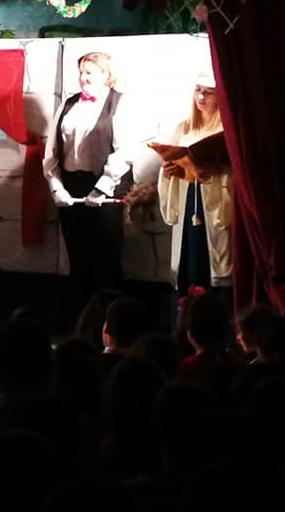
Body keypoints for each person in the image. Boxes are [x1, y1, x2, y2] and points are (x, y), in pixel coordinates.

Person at [43, 51, 136, 327]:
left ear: (106, 75)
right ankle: (80, 324)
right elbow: (52, 149)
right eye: (81, 72)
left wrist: (102, 188)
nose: (83, 78)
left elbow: (124, 152)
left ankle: (112, 326)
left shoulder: (119, 103)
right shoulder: (69, 103)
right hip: (72, 185)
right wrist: (56, 185)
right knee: (78, 256)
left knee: (107, 257)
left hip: (107, 185)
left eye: (90, 72)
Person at [157, 70, 233, 323]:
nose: (201, 97)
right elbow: (171, 166)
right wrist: (169, 171)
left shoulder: (226, 129)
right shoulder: (184, 128)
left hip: (214, 208)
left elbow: (237, 173)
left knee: (213, 264)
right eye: (198, 91)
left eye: (208, 93)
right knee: (188, 261)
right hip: (189, 199)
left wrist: (215, 168)